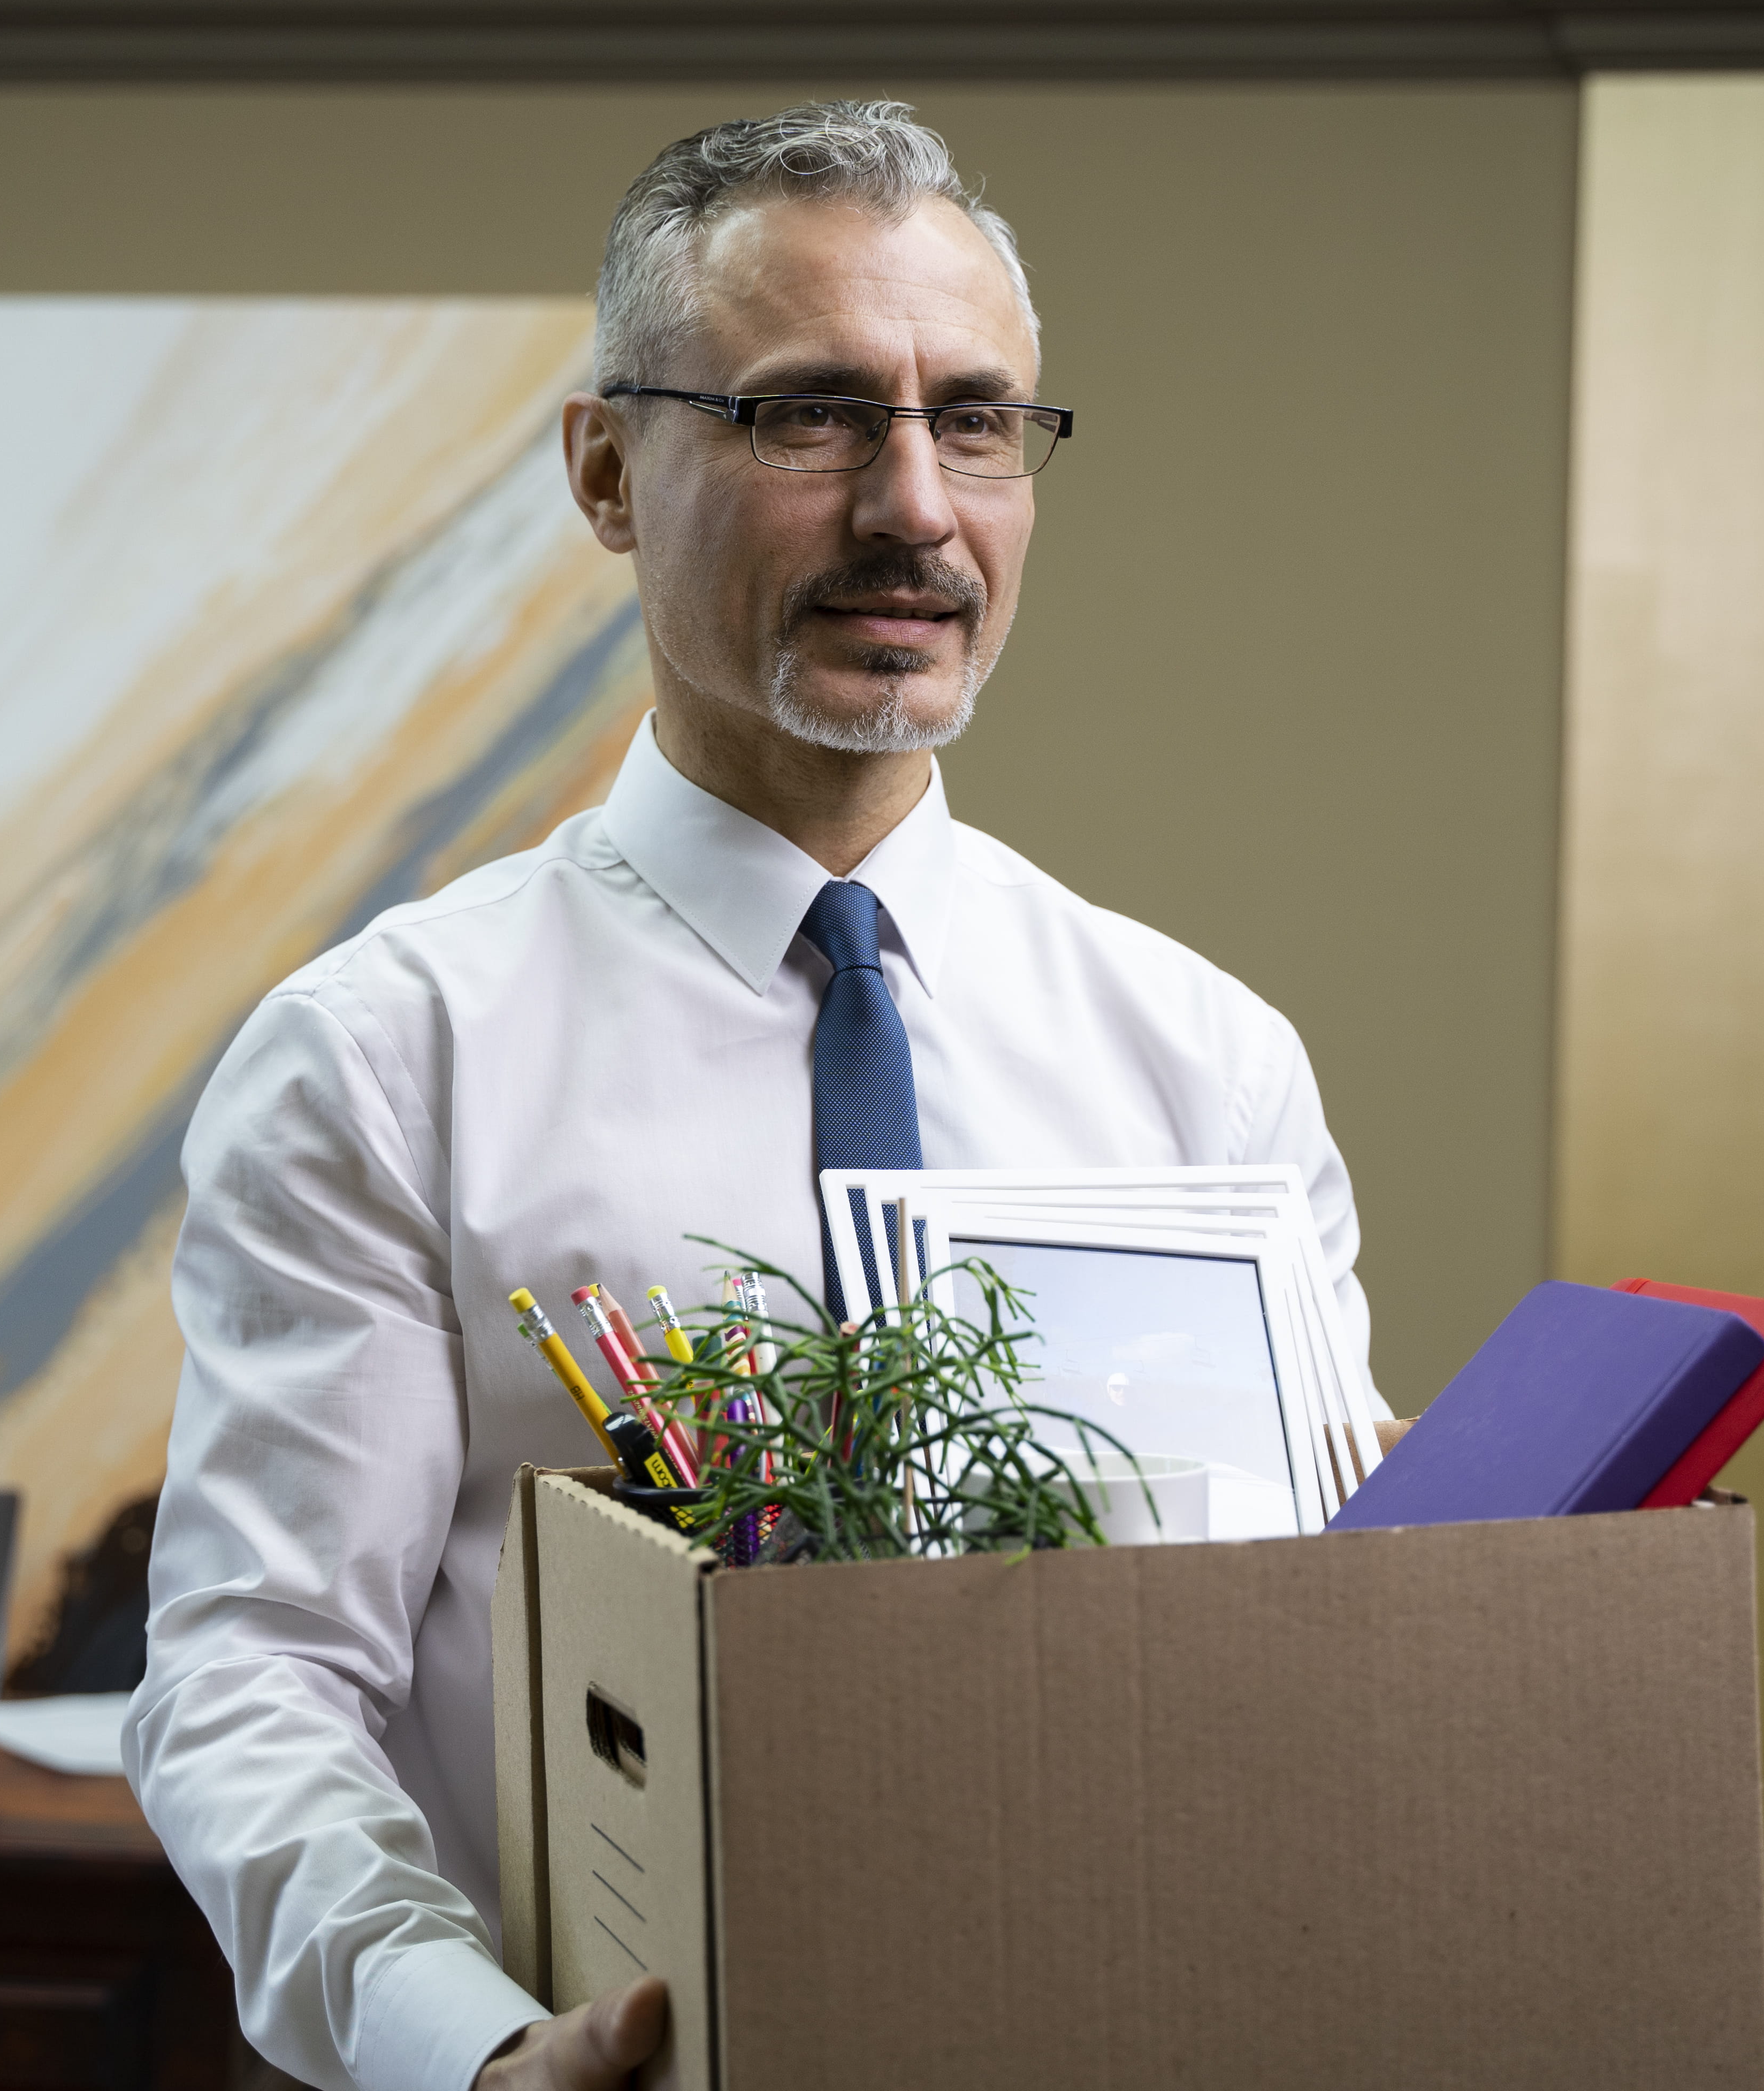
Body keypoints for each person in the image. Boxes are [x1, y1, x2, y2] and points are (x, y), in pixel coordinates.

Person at [131, 101, 1383, 2091]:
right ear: (609, 469)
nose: (912, 505)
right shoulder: (385, 1060)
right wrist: (472, 2048)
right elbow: (255, 1671)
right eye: (809, 413)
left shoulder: (1204, 1064)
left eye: (975, 418)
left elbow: (1288, 1670)